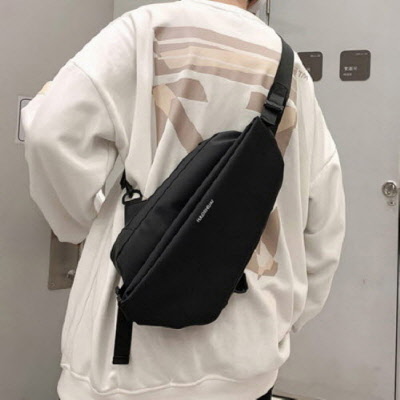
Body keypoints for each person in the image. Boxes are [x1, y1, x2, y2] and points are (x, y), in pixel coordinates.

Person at [21, 0, 346, 399]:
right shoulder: (291, 70)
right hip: (247, 361)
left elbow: (51, 132)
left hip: (128, 364)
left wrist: (81, 221)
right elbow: (324, 219)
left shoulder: (145, 31)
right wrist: (284, 319)